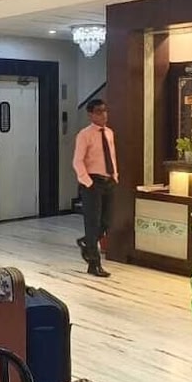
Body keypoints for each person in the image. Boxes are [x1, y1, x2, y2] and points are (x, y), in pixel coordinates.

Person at [73, 99, 117, 278]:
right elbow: (77, 161)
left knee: (107, 221)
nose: (104, 115)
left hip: (108, 181)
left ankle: (86, 242)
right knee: (93, 223)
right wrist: (87, 182)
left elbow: (111, 156)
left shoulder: (109, 133)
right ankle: (94, 264)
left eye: (105, 111)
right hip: (92, 182)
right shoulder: (84, 135)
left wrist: (115, 176)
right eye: (99, 111)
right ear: (90, 115)